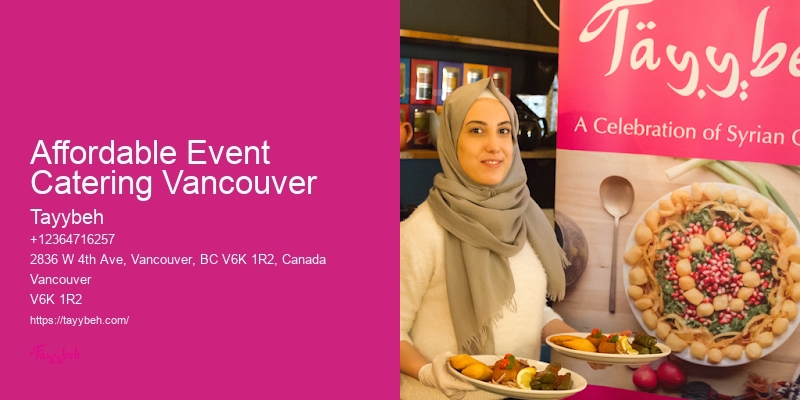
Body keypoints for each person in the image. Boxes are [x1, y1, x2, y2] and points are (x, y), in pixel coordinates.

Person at [400, 78, 594, 400]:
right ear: (452, 140)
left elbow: (528, 308)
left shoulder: (527, 218)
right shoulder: (422, 231)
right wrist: (427, 372)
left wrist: (578, 342)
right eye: (477, 130)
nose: (494, 145)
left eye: (504, 131)